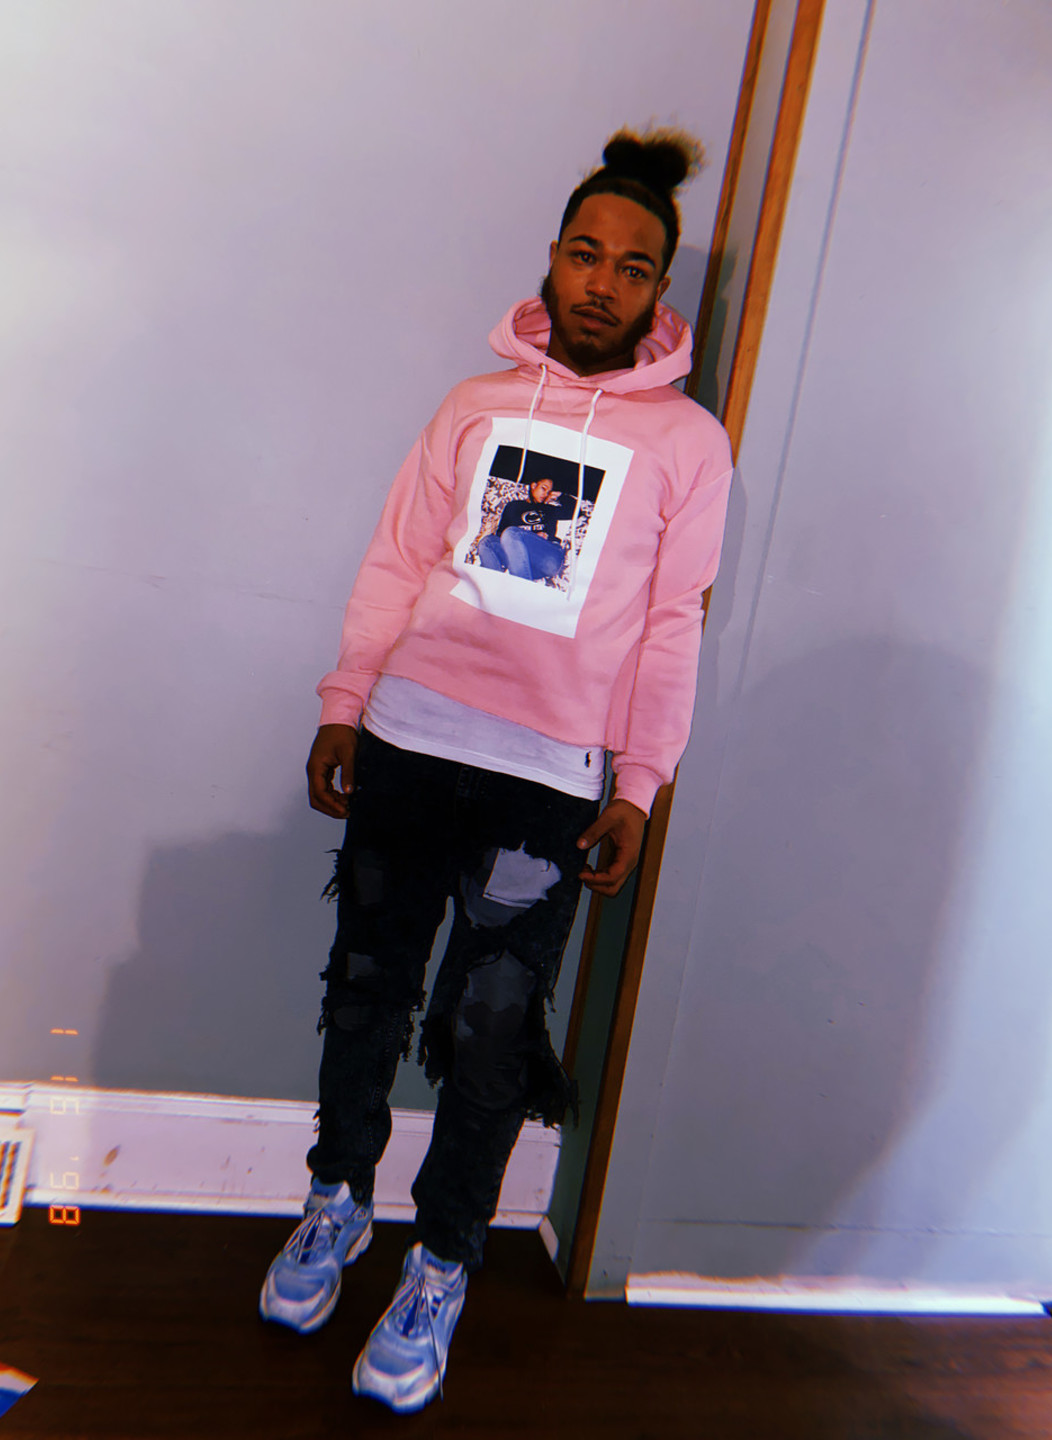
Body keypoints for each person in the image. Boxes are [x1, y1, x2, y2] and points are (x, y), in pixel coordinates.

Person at [259, 127, 733, 1413]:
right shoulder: (472, 409)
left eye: (632, 267)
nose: (602, 282)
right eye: (585, 253)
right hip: (410, 742)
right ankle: (336, 1198)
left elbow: (673, 624)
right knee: (365, 989)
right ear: (552, 259)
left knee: (487, 1032)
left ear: (660, 291)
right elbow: (397, 561)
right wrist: (346, 703)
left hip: (546, 782)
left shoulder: (689, 445)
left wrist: (640, 784)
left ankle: (444, 1262)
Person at [477, 476, 576, 583]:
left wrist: (560, 495)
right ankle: (494, 585)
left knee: (511, 533)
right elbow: (501, 533)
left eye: (549, 492)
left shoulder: (549, 509)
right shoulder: (513, 506)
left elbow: (577, 511)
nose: (545, 494)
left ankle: (520, 587)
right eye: (543, 488)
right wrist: (526, 536)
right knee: (487, 542)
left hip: (547, 558)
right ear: (534, 486)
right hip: (521, 559)